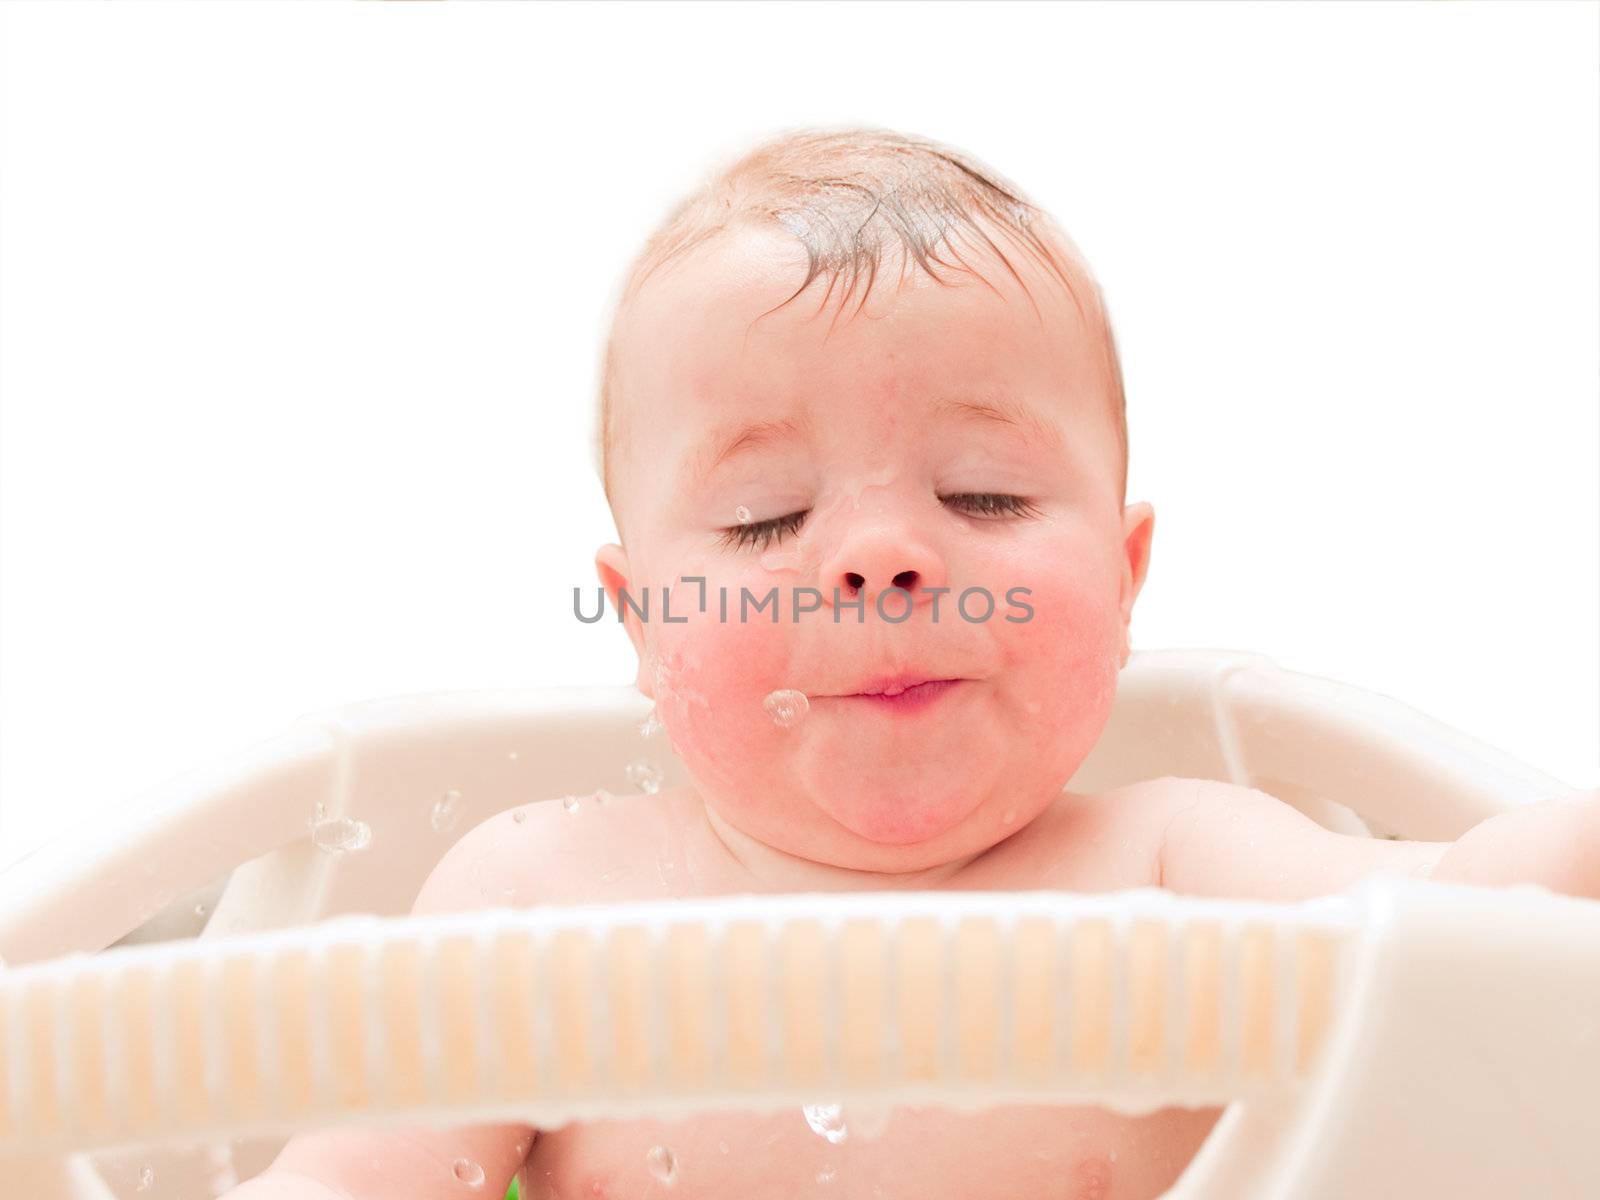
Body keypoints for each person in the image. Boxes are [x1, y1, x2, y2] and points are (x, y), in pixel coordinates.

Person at [226, 125, 1598, 1200]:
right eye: (768, 518)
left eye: (986, 496)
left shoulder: (1181, 863)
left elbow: (1471, 915)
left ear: (1123, 585)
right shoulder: (532, 902)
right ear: (642, 622)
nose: (882, 559)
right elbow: (353, 1181)